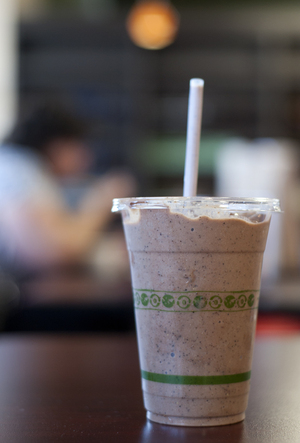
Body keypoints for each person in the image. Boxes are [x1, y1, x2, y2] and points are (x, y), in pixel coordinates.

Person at [0, 104, 135, 282]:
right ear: (58, 146)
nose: (87, 159)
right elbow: (56, 253)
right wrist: (102, 200)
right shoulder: (20, 170)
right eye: (81, 148)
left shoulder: (16, 165)